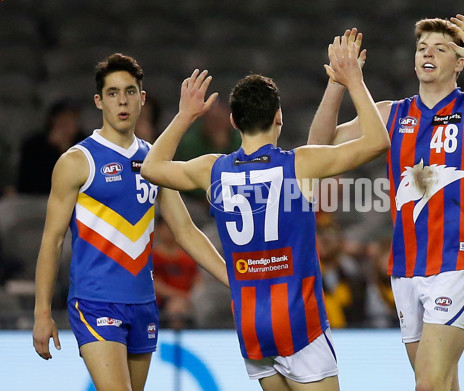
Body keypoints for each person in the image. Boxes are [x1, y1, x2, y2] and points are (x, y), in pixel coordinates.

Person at [307, 16, 464, 391]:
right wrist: (337, 83)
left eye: (440, 49)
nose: (428, 53)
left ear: (459, 63)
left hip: (458, 262)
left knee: (428, 384)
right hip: (406, 266)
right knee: (442, 384)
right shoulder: (390, 114)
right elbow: (319, 148)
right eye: (422, 48)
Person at [141, 32, 389, 390]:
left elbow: (151, 167)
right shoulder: (300, 164)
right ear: (279, 117)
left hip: (252, 321)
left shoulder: (213, 169)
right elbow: (378, 141)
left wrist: (184, 116)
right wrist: (354, 81)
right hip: (299, 320)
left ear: (233, 122)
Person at [32, 53, 228, 391]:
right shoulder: (77, 161)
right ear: (99, 101)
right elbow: (52, 240)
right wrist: (41, 313)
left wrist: (235, 280)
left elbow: (185, 231)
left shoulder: (155, 160)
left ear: (142, 98)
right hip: (95, 302)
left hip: (143, 304)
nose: (122, 101)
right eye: (112, 93)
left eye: (129, 91)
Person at [17, 98, 86, 194]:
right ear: (52, 121)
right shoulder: (33, 145)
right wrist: (52, 149)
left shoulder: (85, 144)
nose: (67, 128)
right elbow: (28, 183)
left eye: (72, 122)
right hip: (37, 198)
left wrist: (65, 151)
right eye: (63, 122)